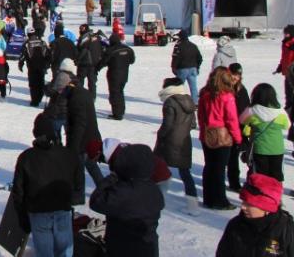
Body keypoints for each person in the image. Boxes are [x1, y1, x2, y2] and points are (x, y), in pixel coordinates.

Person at [12, 114, 81, 257]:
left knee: (45, 253)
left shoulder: (27, 157)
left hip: (40, 213)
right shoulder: (68, 154)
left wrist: (22, 218)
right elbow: (78, 180)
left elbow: (18, 191)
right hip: (61, 209)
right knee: (65, 251)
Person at [89, 144, 165, 257]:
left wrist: (112, 177)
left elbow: (96, 201)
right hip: (149, 248)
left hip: (123, 248)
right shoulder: (153, 188)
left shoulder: (123, 191)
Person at [215, 174, 294, 257]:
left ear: (267, 208)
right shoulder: (235, 226)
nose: (243, 207)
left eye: (249, 204)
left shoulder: (286, 229)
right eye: (243, 201)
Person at [198, 66, 243, 210]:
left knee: (209, 167)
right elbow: (231, 119)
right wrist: (238, 138)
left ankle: (209, 198)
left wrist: (203, 131)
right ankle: (220, 200)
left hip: (208, 134)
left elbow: (200, 116)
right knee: (219, 169)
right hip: (222, 136)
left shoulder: (205, 94)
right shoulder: (227, 96)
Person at [153, 77, 199, 214]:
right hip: (184, 141)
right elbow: (193, 124)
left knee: (158, 169)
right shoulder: (189, 100)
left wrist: (160, 135)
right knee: (185, 173)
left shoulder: (170, 102)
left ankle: (157, 200)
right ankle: (193, 206)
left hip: (169, 142)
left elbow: (167, 125)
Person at [240, 83, 291, 183]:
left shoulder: (252, 110)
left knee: (260, 176)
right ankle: (274, 196)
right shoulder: (280, 112)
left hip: (259, 149)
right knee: (276, 176)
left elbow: (242, 120)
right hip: (277, 148)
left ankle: (260, 195)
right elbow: (287, 125)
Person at [98, 33, 135, 119]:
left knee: (115, 94)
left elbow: (103, 62)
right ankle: (121, 111)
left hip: (114, 75)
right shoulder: (128, 49)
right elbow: (132, 60)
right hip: (124, 75)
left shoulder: (111, 50)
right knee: (120, 92)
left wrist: (96, 69)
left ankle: (117, 114)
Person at [228, 62, 251, 192]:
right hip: (229, 127)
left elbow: (246, 108)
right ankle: (233, 182)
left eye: (238, 75)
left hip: (240, 127)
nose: (235, 77)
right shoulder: (225, 88)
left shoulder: (242, 90)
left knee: (236, 156)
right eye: (233, 74)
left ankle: (236, 182)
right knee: (230, 157)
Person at [19, 27, 50, 107]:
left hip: (32, 66)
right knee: (40, 82)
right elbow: (48, 54)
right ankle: (39, 97)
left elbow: (22, 55)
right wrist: (47, 64)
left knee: (33, 84)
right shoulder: (42, 42)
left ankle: (34, 101)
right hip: (41, 66)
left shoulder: (26, 43)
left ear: (28, 34)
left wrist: (21, 64)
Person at [171, 30, 203, 103]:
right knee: (193, 87)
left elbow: (175, 58)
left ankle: (179, 103)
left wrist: (173, 67)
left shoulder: (178, 46)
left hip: (182, 69)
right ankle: (195, 102)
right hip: (193, 69)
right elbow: (200, 58)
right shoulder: (193, 45)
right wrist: (197, 67)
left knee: (179, 87)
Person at [75, 26, 103, 94]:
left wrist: (77, 60)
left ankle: (79, 96)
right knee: (92, 83)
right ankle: (92, 98)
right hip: (94, 64)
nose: (80, 31)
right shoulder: (97, 37)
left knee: (80, 81)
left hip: (84, 64)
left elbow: (82, 50)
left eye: (81, 29)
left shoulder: (84, 38)